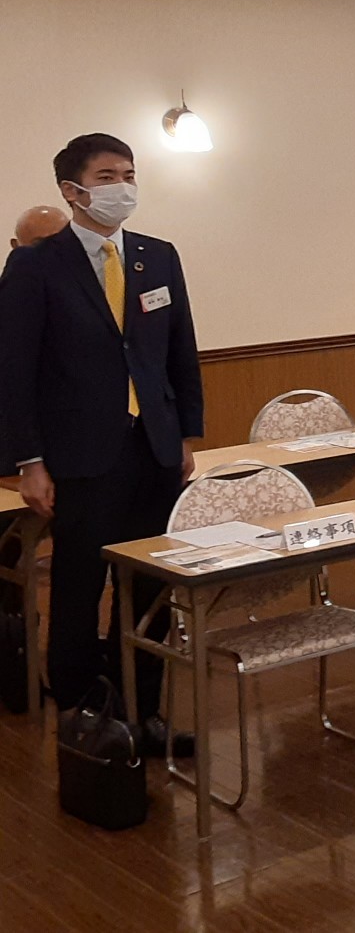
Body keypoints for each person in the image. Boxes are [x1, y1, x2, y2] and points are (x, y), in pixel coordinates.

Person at [0, 134, 202, 751]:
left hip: (154, 447)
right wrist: (29, 461)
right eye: (108, 176)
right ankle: (85, 712)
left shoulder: (156, 256)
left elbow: (178, 350)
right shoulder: (37, 265)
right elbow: (14, 370)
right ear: (73, 190)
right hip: (80, 455)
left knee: (151, 585)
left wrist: (185, 433)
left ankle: (143, 708)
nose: (123, 187)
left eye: (129, 174)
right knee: (79, 585)